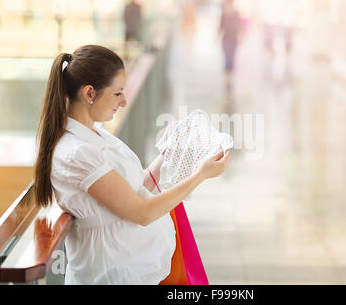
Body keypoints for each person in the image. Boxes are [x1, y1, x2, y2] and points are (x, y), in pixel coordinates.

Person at [34, 45, 231, 285]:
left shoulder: (94, 134)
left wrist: (169, 155)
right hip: (112, 275)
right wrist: (201, 175)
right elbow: (142, 212)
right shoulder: (77, 153)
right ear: (89, 94)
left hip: (131, 268)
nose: (124, 101)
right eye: (117, 93)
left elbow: (133, 189)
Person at [219, 0, 242, 91]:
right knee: (227, 57)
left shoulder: (236, 13)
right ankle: (227, 77)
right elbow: (220, 26)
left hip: (233, 40)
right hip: (225, 39)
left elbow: (239, 27)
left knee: (231, 57)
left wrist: (241, 36)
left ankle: (230, 76)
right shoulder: (224, 14)